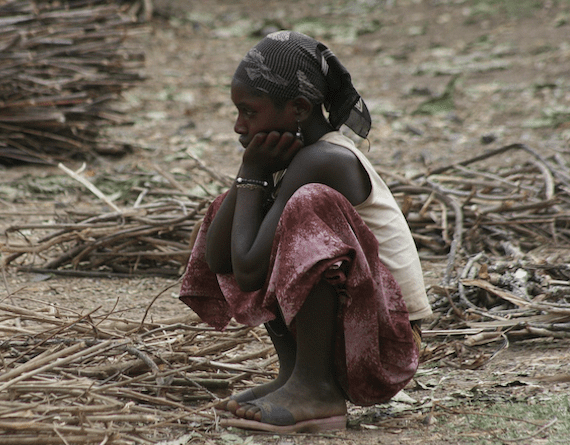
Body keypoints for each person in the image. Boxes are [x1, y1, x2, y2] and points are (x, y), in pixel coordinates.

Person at [179, 31, 432, 434]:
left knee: (304, 205)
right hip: (353, 334)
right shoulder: (295, 159)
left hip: (386, 342)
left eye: (249, 111)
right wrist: (249, 180)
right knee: (236, 206)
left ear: (298, 108)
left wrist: (252, 172)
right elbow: (220, 258)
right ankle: (295, 375)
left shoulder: (324, 160)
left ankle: (315, 389)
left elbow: (245, 270)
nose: (238, 126)